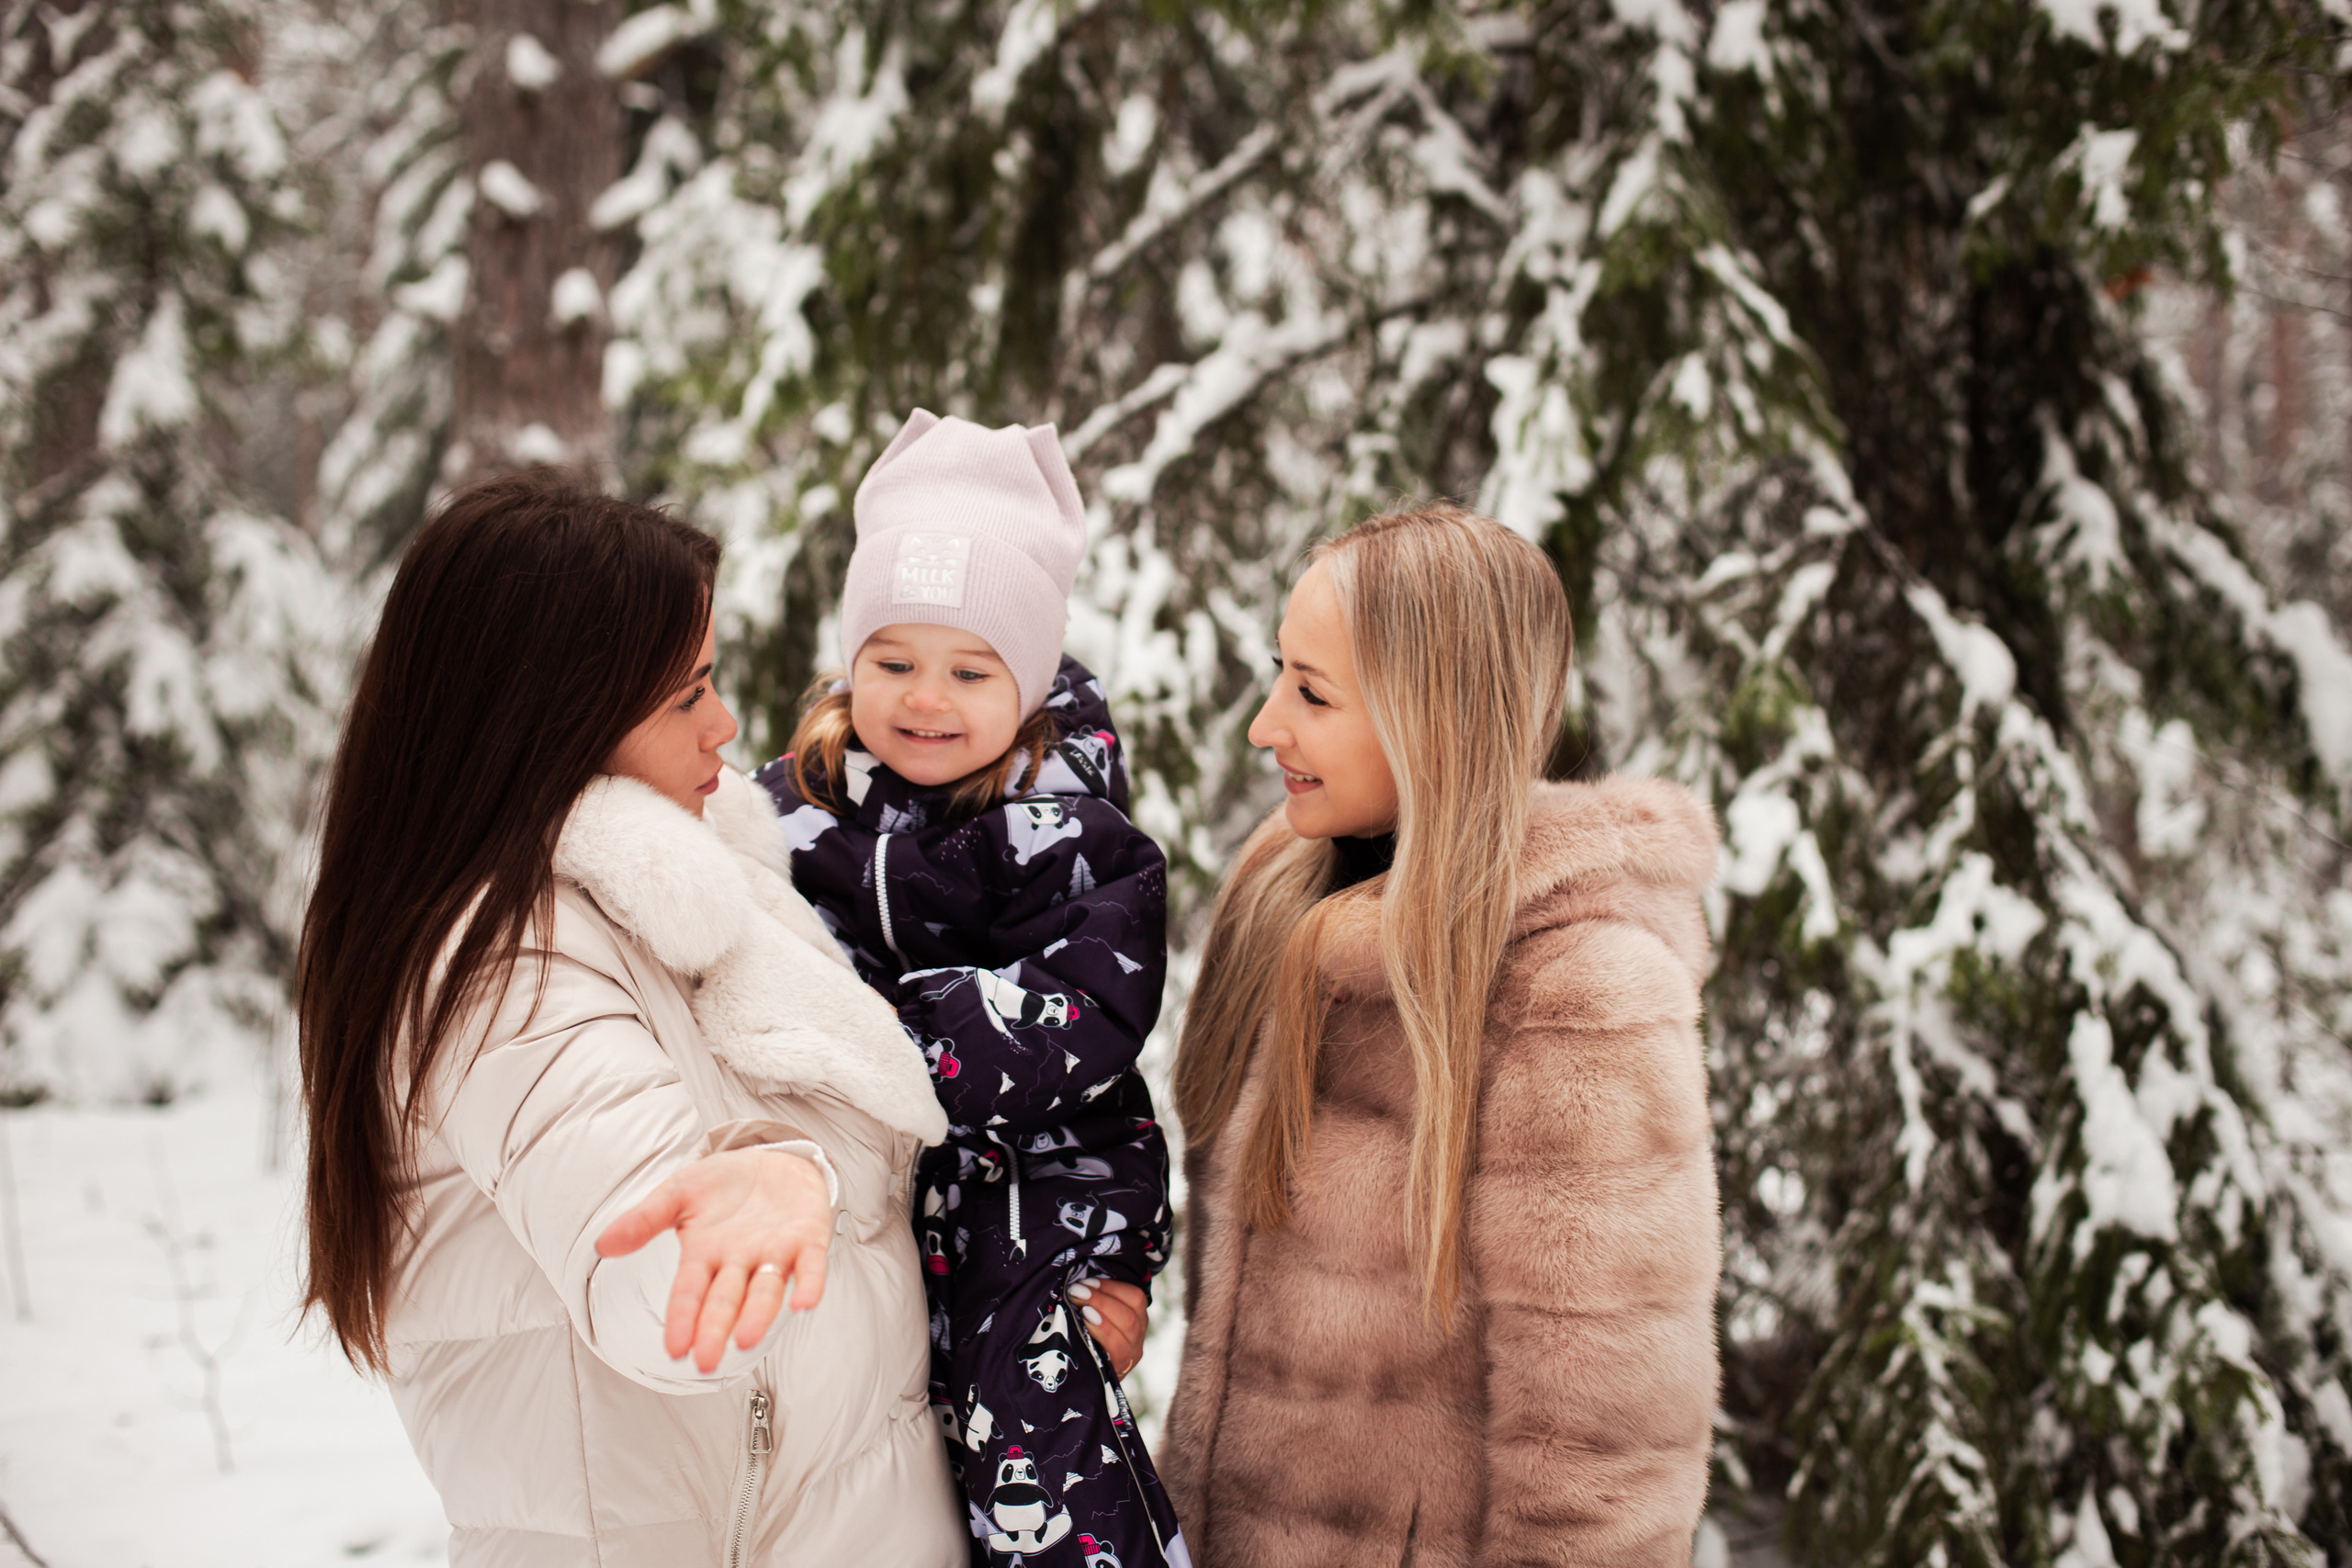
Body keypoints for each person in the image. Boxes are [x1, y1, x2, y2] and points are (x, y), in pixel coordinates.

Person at [297, 475, 966, 1567]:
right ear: (552, 720)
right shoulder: (504, 967)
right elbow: (667, 1287)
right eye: (685, 694)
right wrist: (780, 1171)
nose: (728, 724)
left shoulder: (687, 900)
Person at [1157, 503, 1722, 1567]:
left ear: (1436, 720)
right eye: (1279, 673)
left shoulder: (1578, 994)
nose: (1264, 725)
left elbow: (1605, 1469)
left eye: (1312, 694)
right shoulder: (1286, 894)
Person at [755, 411, 1186, 1567]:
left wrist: (875, 1031)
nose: (924, 700)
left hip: (1034, 1217)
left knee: (1044, 1485)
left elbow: (1082, 1016)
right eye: (892, 662)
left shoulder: (1075, 834)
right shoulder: (794, 811)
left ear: (1032, 676)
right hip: (863, 1218)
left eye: (968, 670)